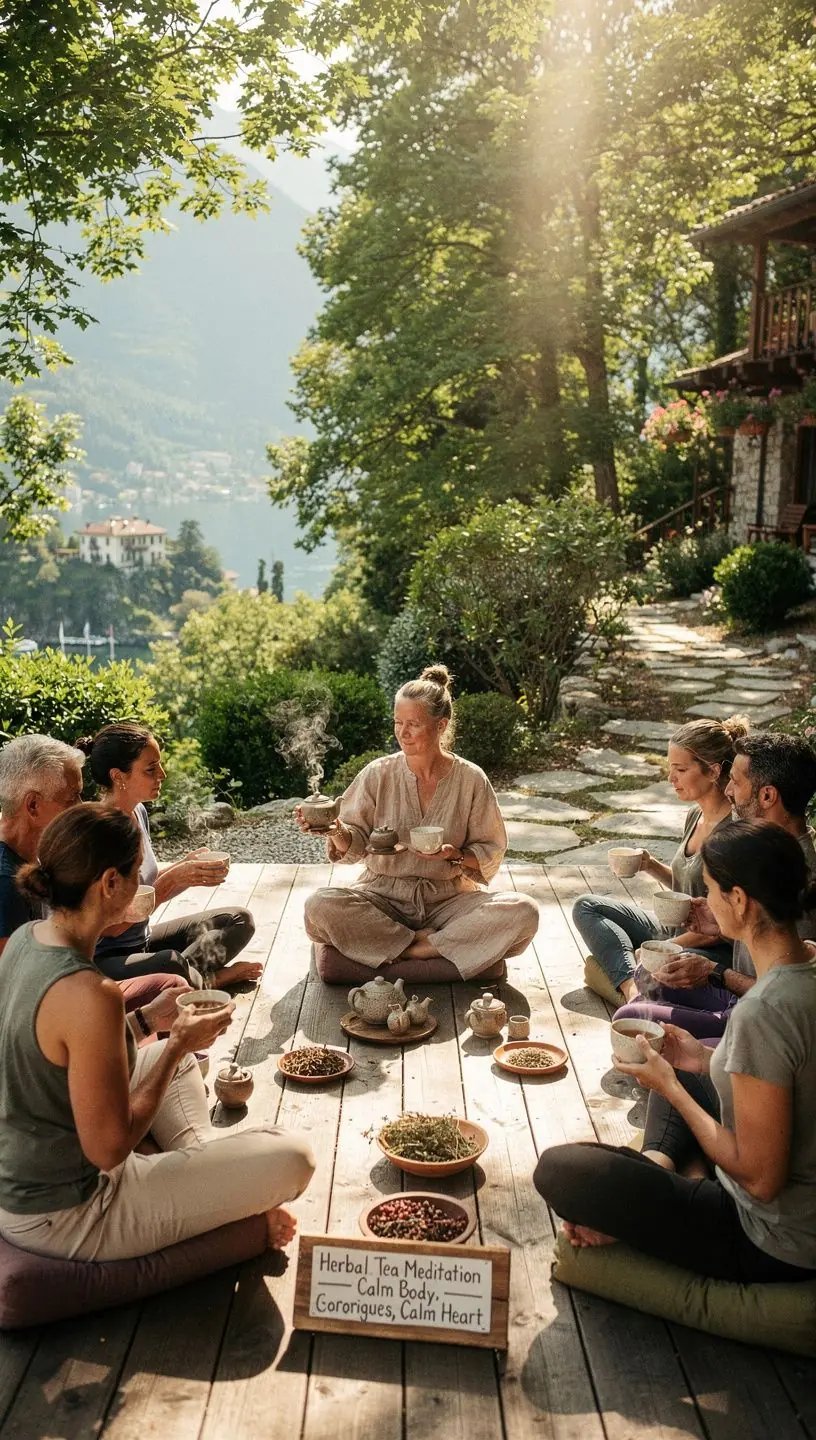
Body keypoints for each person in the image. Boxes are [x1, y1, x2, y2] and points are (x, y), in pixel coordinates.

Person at [0, 805, 314, 1261]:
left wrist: (150, 1021)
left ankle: (206, 1174)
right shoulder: (91, 993)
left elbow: (55, 1050)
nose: (144, 885)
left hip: (28, 1174)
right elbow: (109, 1149)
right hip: (71, 1211)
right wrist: (179, 1043)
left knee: (175, 1059)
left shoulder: (28, 938)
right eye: (137, 874)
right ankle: (217, 1190)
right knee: (294, 1156)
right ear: (111, 884)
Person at [535, 821, 816, 1284]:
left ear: (741, 900)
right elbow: (788, 1075)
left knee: (561, 1170)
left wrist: (669, 1086)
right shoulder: (806, 962)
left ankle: (677, 1180)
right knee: (675, 1057)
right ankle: (673, 1167)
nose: (700, 902)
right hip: (794, 1199)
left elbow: (760, 1179)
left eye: (708, 890)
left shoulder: (763, 1012)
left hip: (771, 1237)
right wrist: (700, 1062)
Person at [300, 666, 539, 979]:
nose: (403, 732)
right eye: (398, 723)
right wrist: (335, 830)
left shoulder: (471, 779)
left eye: (413, 724)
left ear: (440, 725)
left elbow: (491, 848)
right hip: (382, 896)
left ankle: (402, 949)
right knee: (319, 906)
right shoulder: (378, 773)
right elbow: (355, 843)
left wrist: (454, 854)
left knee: (524, 910)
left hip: (449, 900)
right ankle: (425, 946)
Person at [613, 732, 816, 1040]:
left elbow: (785, 993)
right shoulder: (765, 850)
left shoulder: (795, 876)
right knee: (647, 977)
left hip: (759, 1018)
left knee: (632, 1017)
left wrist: (714, 972)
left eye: (735, 781)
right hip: (737, 997)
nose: (729, 790)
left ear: (767, 796)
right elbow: (760, 932)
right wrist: (717, 922)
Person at [0, 734, 184, 1022]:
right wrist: (140, 1022)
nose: (81, 805)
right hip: (52, 1020)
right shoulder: (4, 882)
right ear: (33, 806)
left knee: (173, 984)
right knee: (172, 985)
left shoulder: (43, 852)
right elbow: (17, 998)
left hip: (71, 981)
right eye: (72, 796)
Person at [574, 717, 748, 1007]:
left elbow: (726, 922)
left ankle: (620, 976)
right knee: (587, 907)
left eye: (680, 770)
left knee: (640, 969)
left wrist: (666, 947)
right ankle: (632, 989)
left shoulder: (734, 833)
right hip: (673, 931)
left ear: (713, 771)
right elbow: (686, 886)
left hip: (710, 950)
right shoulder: (695, 816)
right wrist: (650, 864)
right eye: (671, 769)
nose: (671, 779)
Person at [77, 724, 259, 988]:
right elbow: (108, 929)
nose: (162, 774)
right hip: (104, 959)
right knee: (171, 963)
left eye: (159, 765)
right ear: (119, 776)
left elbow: (143, 886)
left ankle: (184, 981)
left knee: (239, 920)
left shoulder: (137, 812)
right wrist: (172, 880)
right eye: (151, 769)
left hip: (143, 941)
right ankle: (208, 980)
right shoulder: (96, 833)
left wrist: (187, 870)